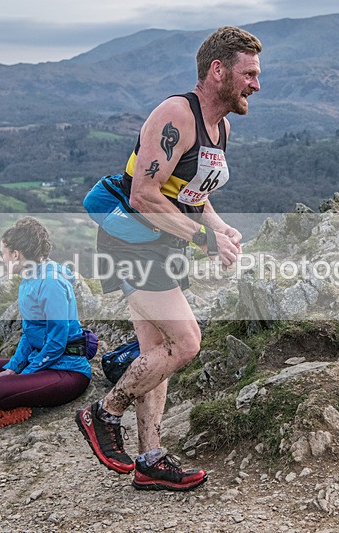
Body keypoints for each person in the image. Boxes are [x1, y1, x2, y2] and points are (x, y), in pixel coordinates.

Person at [76, 26, 261, 491]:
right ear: (218, 71)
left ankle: (150, 458)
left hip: (164, 242)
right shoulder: (176, 113)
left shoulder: (222, 127)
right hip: (132, 241)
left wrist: (219, 229)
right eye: (249, 74)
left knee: (155, 352)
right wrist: (204, 241)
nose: (256, 84)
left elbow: (194, 195)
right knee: (186, 343)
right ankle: (103, 412)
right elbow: (143, 195)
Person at [0, 217, 95, 430]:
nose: (2, 258)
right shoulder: (29, 279)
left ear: (16, 254)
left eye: (3, 253)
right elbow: (29, 333)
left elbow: (57, 342)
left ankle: (4, 402)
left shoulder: (51, 284)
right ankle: (9, 404)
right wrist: (13, 368)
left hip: (68, 371)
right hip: (41, 360)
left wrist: (26, 372)